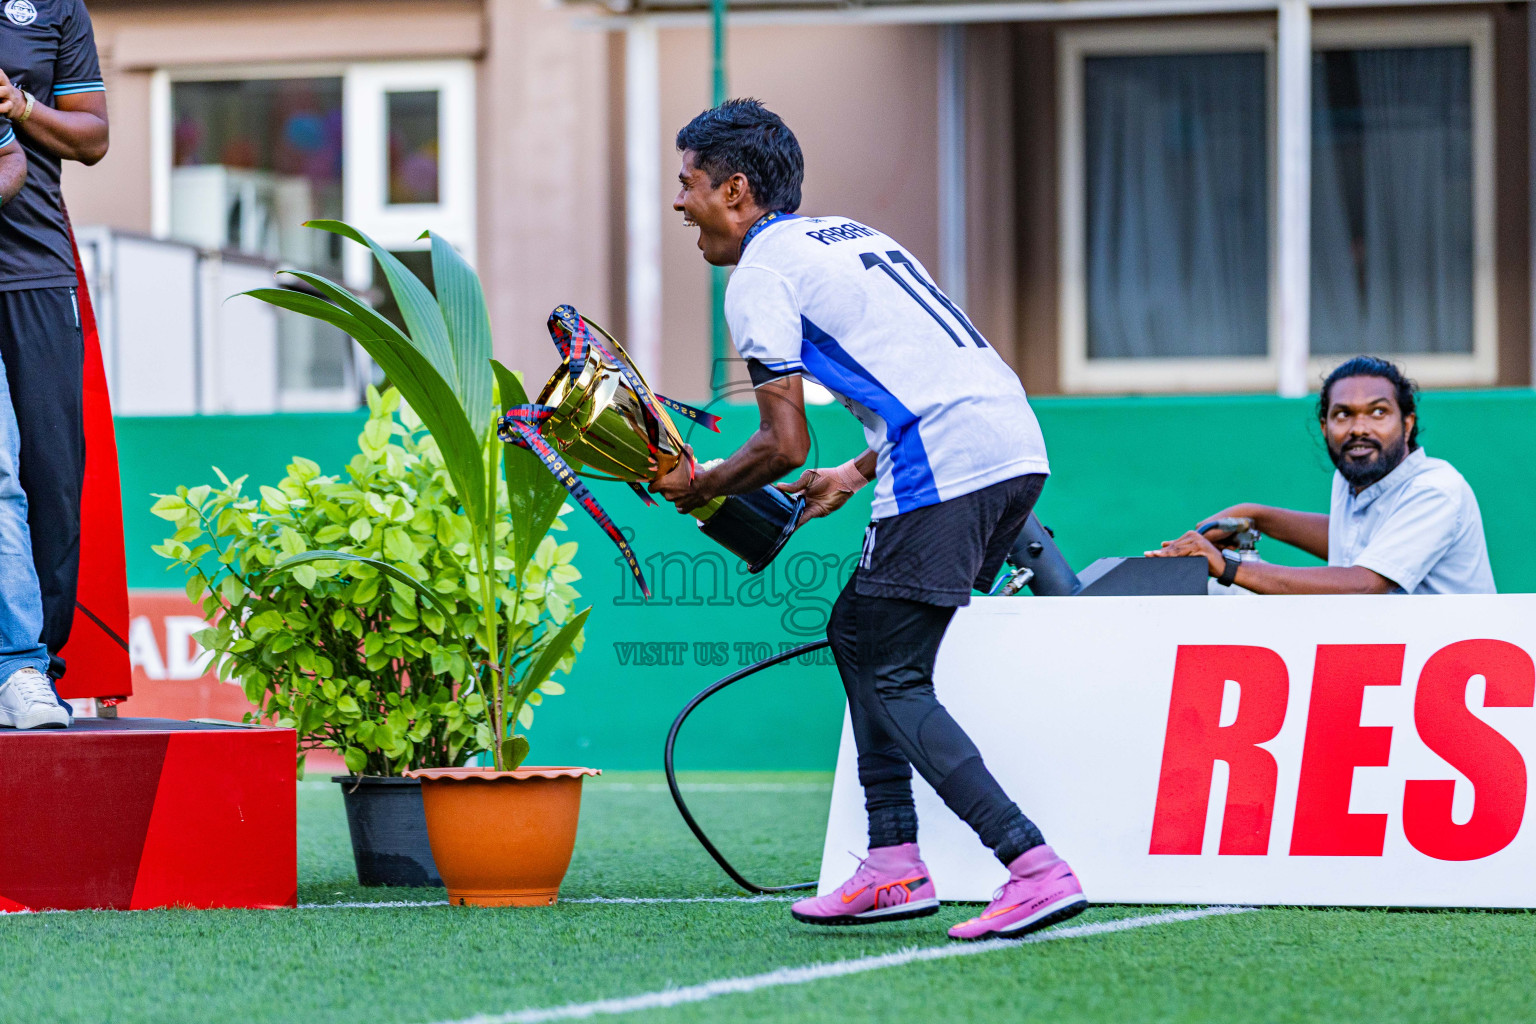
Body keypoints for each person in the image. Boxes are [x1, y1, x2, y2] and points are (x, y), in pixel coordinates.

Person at [651, 99, 1086, 941]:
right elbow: (924, 374)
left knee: (894, 675)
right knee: (858, 630)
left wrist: (698, 483)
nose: (680, 202)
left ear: (735, 190)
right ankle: (893, 863)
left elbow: (781, 443)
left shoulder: (761, 275)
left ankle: (1031, 864)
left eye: (689, 183)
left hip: (948, 461)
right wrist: (853, 472)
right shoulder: (847, 235)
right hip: (1010, 444)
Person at [1149, 356, 1495, 595]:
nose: (1360, 428)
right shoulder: (1351, 477)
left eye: (1378, 412)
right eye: (1343, 414)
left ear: (1407, 424)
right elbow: (1355, 542)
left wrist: (1227, 567)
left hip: (1459, 683)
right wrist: (1257, 516)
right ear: (1324, 426)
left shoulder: (1435, 489)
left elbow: (1366, 584)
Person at [0, 0, 111, 729]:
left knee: (49, 476)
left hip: (35, 271)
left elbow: (94, 136)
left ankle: (37, 664)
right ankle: (21, 665)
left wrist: (19, 104)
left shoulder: (54, 6)